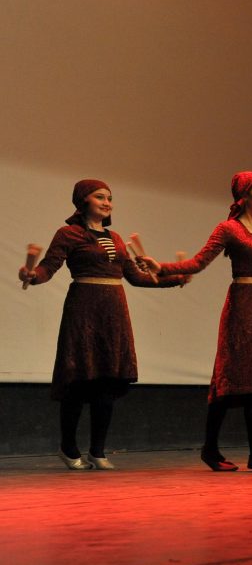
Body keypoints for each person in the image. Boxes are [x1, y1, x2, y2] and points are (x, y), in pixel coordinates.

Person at [140, 171, 252, 473]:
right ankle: (210, 448)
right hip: (242, 309)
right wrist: (162, 267)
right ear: (244, 196)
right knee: (230, 379)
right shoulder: (228, 229)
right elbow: (198, 262)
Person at [19, 179, 187, 470]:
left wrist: (175, 278)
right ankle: (68, 448)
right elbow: (48, 267)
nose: (107, 203)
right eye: (100, 197)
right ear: (84, 200)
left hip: (114, 313)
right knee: (78, 378)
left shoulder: (117, 238)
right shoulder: (69, 233)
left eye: (110, 198)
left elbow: (136, 277)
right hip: (84, 309)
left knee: (108, 380)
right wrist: (32, 276)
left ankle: (97, 450)